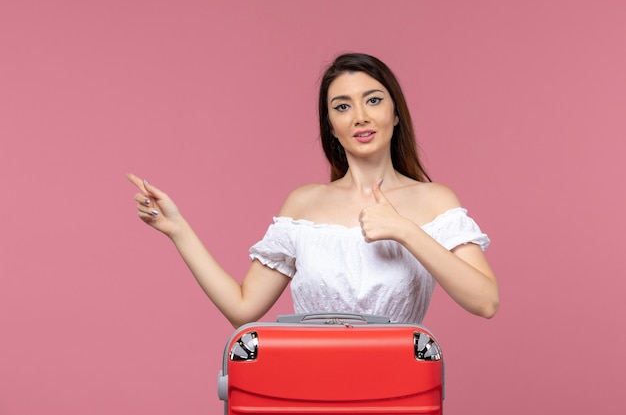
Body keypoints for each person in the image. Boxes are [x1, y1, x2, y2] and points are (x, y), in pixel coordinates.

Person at [127, 53, 499, 328]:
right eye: (342, 106)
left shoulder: (435, 201)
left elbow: (485, 301)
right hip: (308, 388)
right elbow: (242, 308)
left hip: (397, 389)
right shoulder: (304, 203)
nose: (360, 116)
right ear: (332, 127)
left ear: (396, 113)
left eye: (373, 100)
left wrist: (404, 230)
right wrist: (178, 230)